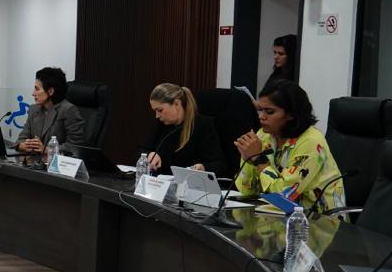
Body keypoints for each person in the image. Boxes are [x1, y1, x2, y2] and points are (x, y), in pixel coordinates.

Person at [234, 80, 346, 214]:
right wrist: (248, 158)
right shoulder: (264, 135)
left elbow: (283, 197)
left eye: (269, 112)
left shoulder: (311, 141)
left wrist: (259, 159)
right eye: (260, 110)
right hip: (278, 214)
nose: (261, 117)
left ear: (291, 114)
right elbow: (246, 191)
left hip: (319, 218)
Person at [142, 83, 227, 177]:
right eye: (155, 111)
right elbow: (142, 149)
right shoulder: (162, 123)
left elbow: (220, 165)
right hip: (160, 182)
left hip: (188, 183)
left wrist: (203, 167)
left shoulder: (202, 125)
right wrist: (150, 154)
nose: (157, 116)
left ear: (177, 104)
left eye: (160, 110)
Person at [15, 67, 85, 153]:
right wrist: (23, 145)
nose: (33, 93)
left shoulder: (68, 110)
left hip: (58, 160)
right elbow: (21, 138)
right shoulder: (33, 109)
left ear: (51, 91)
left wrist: (47, 150)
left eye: (37, 89)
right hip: (34, 159)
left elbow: (75, 146)